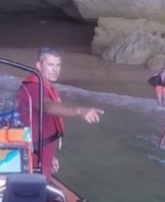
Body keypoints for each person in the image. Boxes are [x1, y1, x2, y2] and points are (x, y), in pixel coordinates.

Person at [15, 46, 102, 181]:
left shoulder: (46, 86)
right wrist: (79, 111)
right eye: (50, 64)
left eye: (58, 65)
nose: (55, 69)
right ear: (39, 65)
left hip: (42, 152)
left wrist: (50, 155)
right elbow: (47, 107)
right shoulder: (34, 88)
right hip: (32, 156)